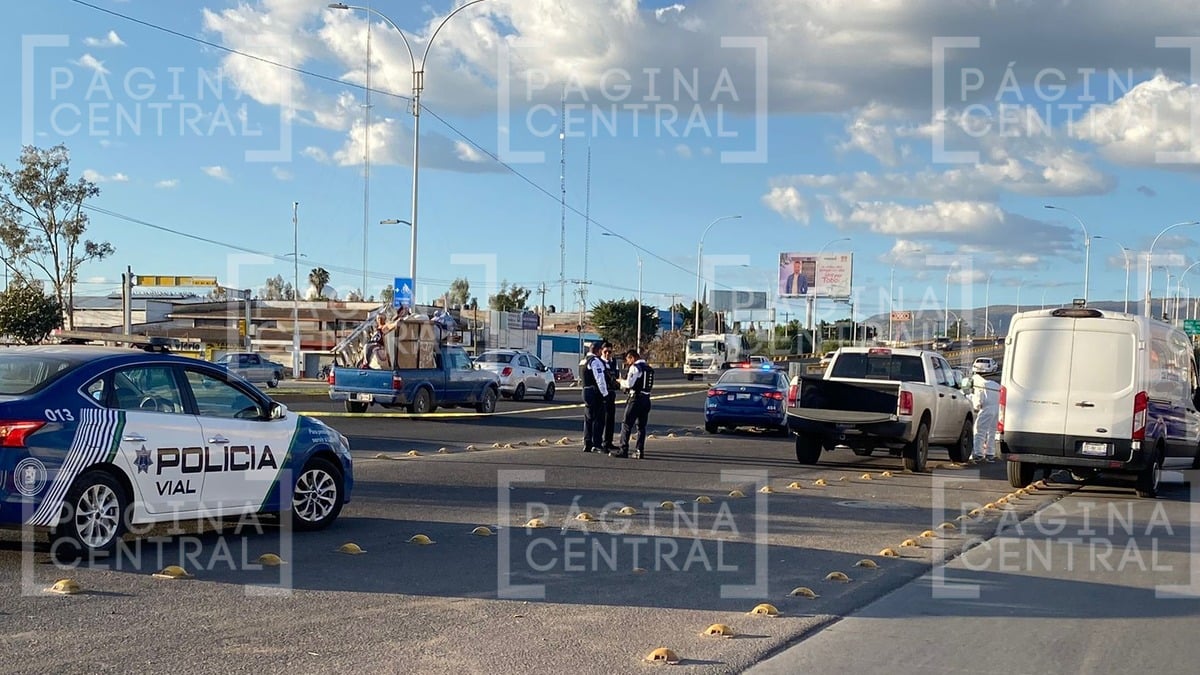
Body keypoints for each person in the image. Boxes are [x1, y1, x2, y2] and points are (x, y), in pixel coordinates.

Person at [611, 349, 654, 459]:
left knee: (626, 424)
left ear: (632, 358)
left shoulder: (635, 368)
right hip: (646, 399)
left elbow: (629, 383)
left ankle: (623, 449)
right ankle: (640, 450)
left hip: (635, 399)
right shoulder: (649, 369)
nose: (628, 363)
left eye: (628, 360)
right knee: (641, 427)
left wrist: (621, 381)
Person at [581, 341, 610, 453]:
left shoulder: (583, 361)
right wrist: (605, 394)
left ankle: (587, 443)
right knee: (599, 418)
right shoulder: (595, 361)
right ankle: (597, 444)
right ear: (598, 351)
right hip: (594, 392)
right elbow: (600, 379)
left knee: (588, 419)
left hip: (585, 390)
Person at [968, 371, 1000, 462]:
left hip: (986, 409)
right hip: (997, 409)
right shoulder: (995, 385)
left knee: (979, 431)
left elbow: (978, 402)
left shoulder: (981, 385)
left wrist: (976, 406)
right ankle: (990, 453)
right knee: (992, 432)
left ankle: (978, 454)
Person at [601, 342, 619, 451]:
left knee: (610, 419)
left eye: (609, 352)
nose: (607, 354)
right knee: (601, 419)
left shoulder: (614, 362)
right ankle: (599, 443)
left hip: (611, 393)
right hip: (603, 393)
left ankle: (608, 442)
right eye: (605, 352)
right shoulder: (599, 362)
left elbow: (616, 375)